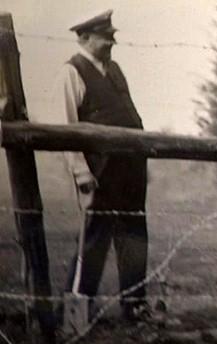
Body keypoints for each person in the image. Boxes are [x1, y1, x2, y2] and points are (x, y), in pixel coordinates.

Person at [53, 10, 151, 321]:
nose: (111, 42)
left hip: (130, 170)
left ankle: (135, 308)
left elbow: (130, 117)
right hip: (99, 173)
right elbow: (65, 128)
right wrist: (81, 173)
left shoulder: (116, 70)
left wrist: (141, 161)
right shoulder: (72, 72)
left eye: (112, 37)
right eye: (105, 37)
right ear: (84, 38)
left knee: (134, 237)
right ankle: (76, 312)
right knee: (94, 239)